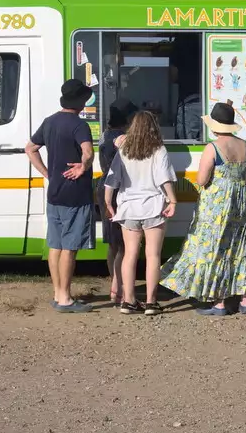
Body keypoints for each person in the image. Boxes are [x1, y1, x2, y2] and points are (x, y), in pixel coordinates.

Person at [162, 103, 246, 316]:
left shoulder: (213, 148)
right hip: (241, 202)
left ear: (215, 126)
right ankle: (245, 300)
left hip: (217, 205)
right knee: (238, 249)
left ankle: (219, 302)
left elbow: (202, 179)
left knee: (216, 249)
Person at [25, 79, 95, 312]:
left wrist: (48, 173)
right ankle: (66, 298)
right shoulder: (79, 125)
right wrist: (83, 167)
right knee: (69, 248)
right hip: (75, 194)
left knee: (55, 245)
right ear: (81, 102)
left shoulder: (49, 122)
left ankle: (57, 293)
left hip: (54, 193)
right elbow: (88, 151)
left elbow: (30, 148)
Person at [105, 110, 178, 315]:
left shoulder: (124, 149)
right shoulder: (158, 149)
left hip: (128, 208)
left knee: (130, 254)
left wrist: (108, 201)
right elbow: (164, 179)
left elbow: (112, 178)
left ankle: (128, 301)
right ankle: (151, 303)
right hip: (153, 206)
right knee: (153, 255)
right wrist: (172, 200)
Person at [99, 104, 130, 306]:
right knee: (123, 244)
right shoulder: (123, 138)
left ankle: (114, 283)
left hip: (104, 187)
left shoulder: (104, 134)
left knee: (113, 243)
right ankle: (118, 288)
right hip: (118, 188)